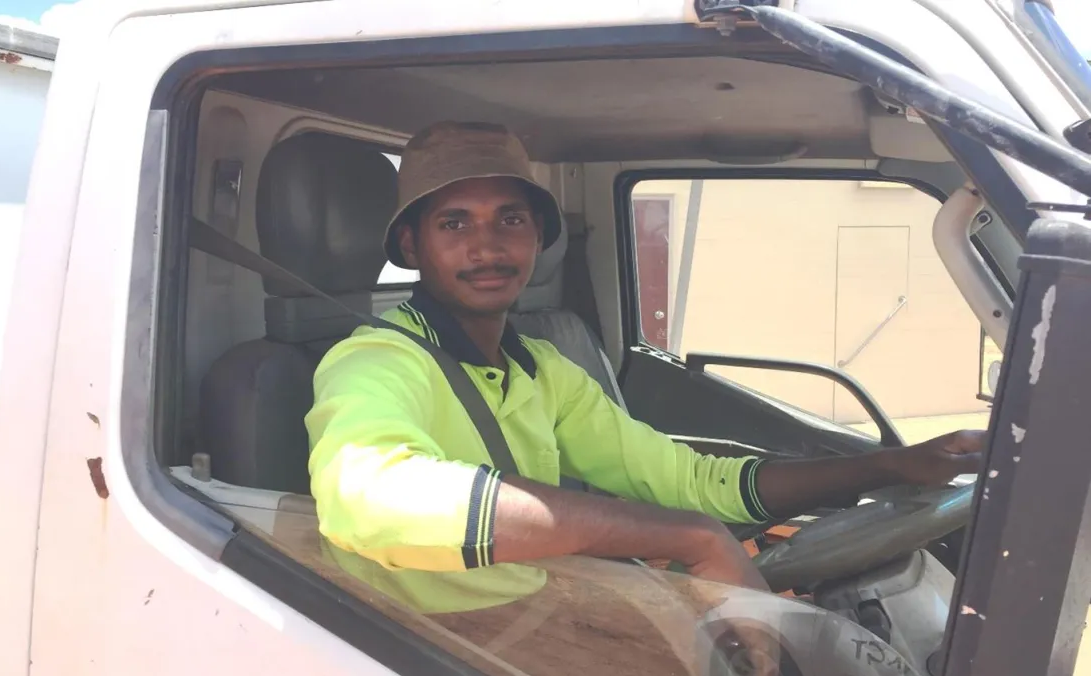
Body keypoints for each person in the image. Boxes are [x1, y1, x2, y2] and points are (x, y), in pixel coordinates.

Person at [304, 120, 983, 601]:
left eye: (510, 218)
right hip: (425, 647)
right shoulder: (376, 360)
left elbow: (685, 481)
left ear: (538, 237)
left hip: (544, 613)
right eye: (455, 222)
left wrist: (888, 465)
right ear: (413, 245)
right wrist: (688, 538)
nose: (487, 245)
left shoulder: (540, 369)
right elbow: (366, 498)